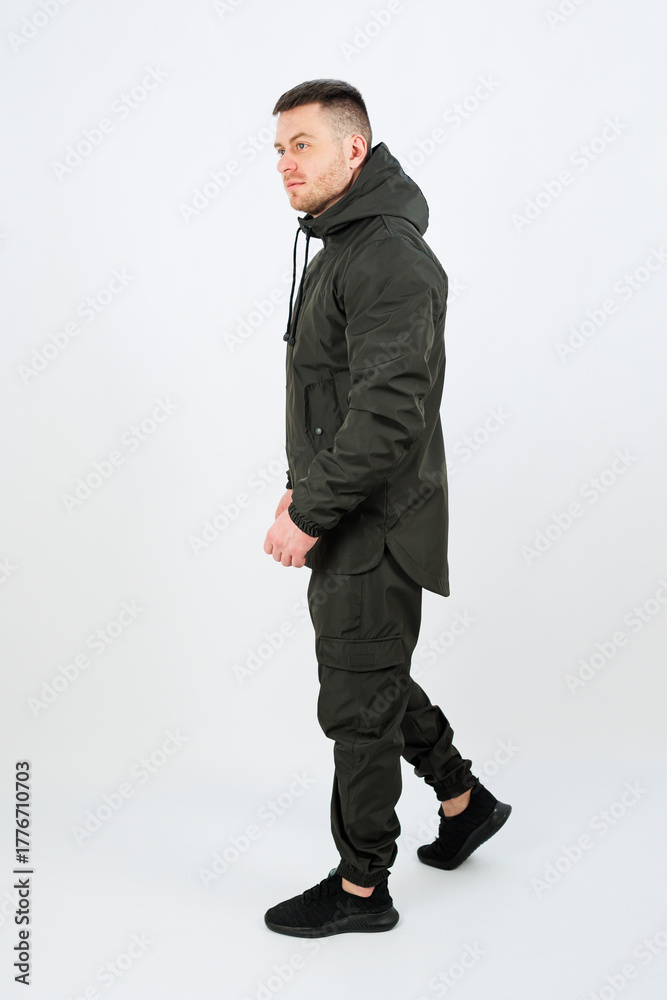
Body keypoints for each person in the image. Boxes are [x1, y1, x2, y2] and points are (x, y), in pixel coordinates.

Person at [262, 79, 511, 938]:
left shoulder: (388, 257)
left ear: (354, 149)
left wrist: (310, 512)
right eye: (278, 149)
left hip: (373, 525)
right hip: (348, 512)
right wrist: (302, 484)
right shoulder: (343, 247)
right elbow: (335, 397)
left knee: (354, 704)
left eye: (302, 144)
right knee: (371, 677)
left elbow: (388, 413)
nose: (285, 163)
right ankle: (463, 800)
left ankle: (363, 888)